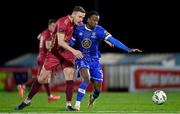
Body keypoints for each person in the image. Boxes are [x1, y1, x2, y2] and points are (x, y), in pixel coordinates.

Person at [15, 6, 86, 111]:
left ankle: (68, 105)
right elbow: (61, 42)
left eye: (83, 17)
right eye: (80, 17)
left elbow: (89, 28)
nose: (81, 20)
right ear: (73, 14)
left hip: (66, 52)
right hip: (54, 53)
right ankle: (27, 101)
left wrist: (106, 38)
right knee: (42, 78)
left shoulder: (77, 23)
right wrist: (74, 51)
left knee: (70, 76)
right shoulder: (63, 22)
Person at [70, 11, 141, 111]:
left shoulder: (100, 30)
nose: (96, 22)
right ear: (88, 19)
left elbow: (114, 40)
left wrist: (128, 49)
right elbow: (71, 43)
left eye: (97, 21)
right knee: (86, 78)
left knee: (98, 90)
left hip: (95, 60)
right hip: (82, 58)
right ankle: (77, 105)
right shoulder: (78, 29)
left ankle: (92, 98)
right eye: (94, 20)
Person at [15, 19, 61, 110]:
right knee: (40, 78)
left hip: (40, 56)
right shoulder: (49, 34)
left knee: (45, 78)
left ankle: (49, 96)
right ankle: (23, 86)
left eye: (55, 26)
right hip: (45, 57)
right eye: (53, 25)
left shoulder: (44, 32)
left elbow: (38, 36)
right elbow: (48, 47)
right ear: (49, 25)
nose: (54, 27)